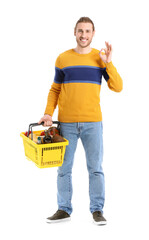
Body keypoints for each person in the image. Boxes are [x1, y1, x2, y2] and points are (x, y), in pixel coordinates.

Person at [39, 17, 123, 225]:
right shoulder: (62, 59)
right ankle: (64, 209)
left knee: (95, 168)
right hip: (66, 123)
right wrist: (48, 113)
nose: (83, 35)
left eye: (87, 31)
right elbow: (55, 89)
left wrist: (109, 63)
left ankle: (97, 210)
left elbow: (118, 87)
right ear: (74, 32)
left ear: (93, 34)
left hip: (93, 123)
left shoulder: (100, 58)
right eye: (80, 31)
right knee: (64, 168)